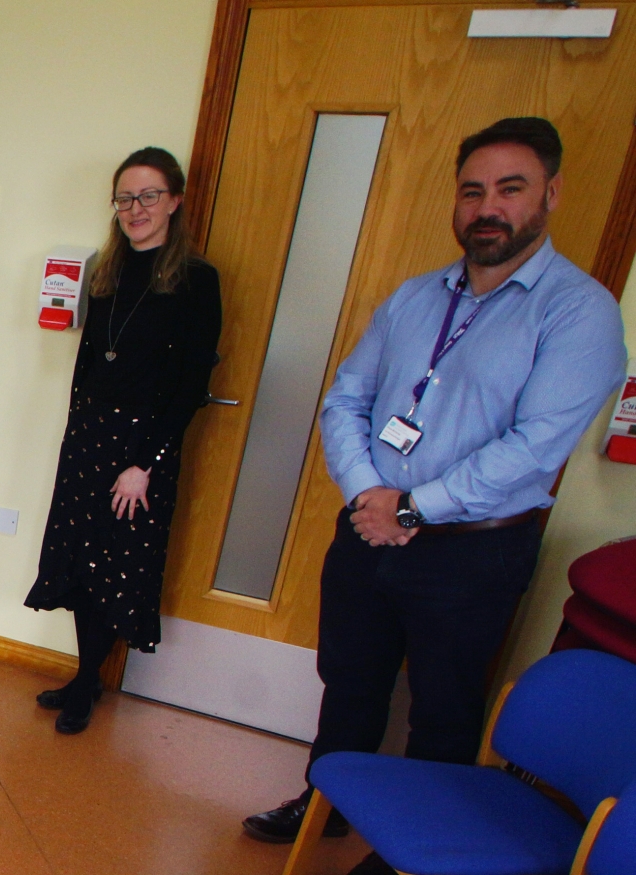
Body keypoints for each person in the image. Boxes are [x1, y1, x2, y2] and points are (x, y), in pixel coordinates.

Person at [241, 118, 626, 875]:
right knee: (348, 683)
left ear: (550, 194)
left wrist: (414, 508)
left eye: (510, 189)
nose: (488, 207)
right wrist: (370, 495)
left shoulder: (579, 312)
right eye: (473, 191)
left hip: (473, 551)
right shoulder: (415, 298)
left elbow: (534, 446)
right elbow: (345, 399)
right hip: (367, 529)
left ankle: (418, 850)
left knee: (443, 708)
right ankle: (325, 802)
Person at [24, 148, 222, 735]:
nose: (136, 209)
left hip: (140, 452)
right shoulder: (106, 273)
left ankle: (89, 681)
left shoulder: (197, 281)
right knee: (79, 564)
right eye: (125, 198)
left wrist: (145, 464)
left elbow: (190, 386)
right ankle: (85, 676)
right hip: (88, 441)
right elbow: (89, 363)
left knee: (114, 568)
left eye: (149, 196)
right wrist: (75, 435)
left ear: (174, 201)